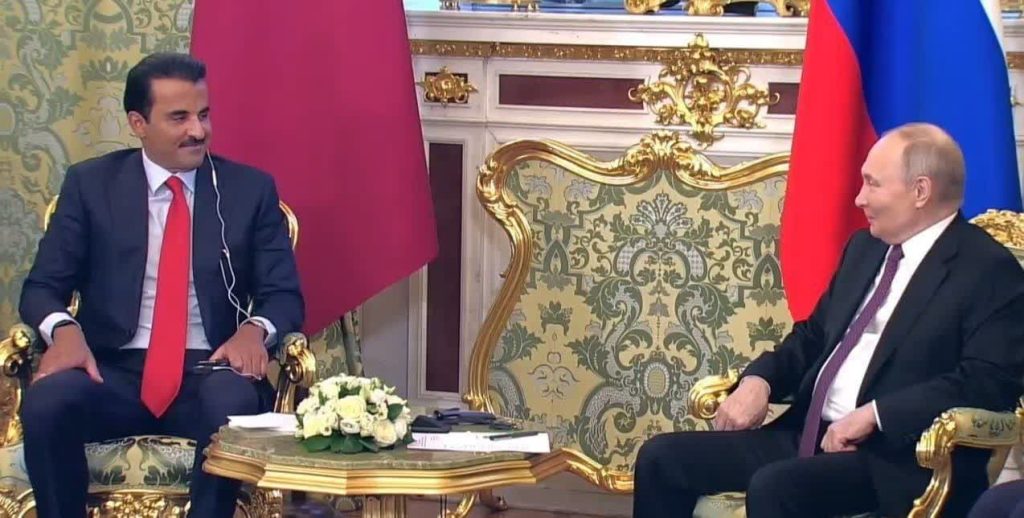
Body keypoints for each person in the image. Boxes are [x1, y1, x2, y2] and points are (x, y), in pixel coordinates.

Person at [633, 123, 1024, 518]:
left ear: (920, 191)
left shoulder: (988, 269)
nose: (859, 198)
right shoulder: (865, 247)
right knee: (661, 459)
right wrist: (760, 380)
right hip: (809, 432)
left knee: (776, 486)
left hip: (895, 458)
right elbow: (814, 335)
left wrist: (875, 415)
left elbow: (988, 381)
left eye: (872, 184)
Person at [18, 52, 304, 518]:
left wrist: (255, 331)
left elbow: (284, 294)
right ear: (138, 123)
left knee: (232, 403)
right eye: (179, 117)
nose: (198, 131)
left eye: (204, 115)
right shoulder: (91, 185)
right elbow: (41, 288)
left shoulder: (248, 190)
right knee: (47, 402)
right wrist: (64, 331)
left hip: (211, 368)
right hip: (109, 370)